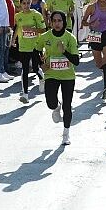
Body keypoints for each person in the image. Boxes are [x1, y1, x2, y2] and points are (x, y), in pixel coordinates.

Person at [35, 11, 79, 145]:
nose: (57, 23)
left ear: (64, 22)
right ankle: (55, 107)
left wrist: (64, 51)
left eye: (59, 21)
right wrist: (41, 64)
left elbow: (76, 61)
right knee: (50, 102)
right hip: (51, 74)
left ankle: (66, 134)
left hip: (67, 76)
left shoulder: (70, 38)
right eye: (54, 21)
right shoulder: (45, 37)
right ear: (51, 22)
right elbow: (35, 51)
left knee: (67, 105)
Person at [11, 0, 46, 103]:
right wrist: (13, 40)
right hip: (23, 46)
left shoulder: (36, 15)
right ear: (20, 4)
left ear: (31, 3)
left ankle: (41, 78)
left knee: (35, 68)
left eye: (28, 3)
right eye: (23, 3)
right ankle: (25, 94)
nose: (26, 5)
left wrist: (32, 29)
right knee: (25, 70)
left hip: (35, 46)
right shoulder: (18, 16)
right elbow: (17, 28)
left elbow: (43, 30)